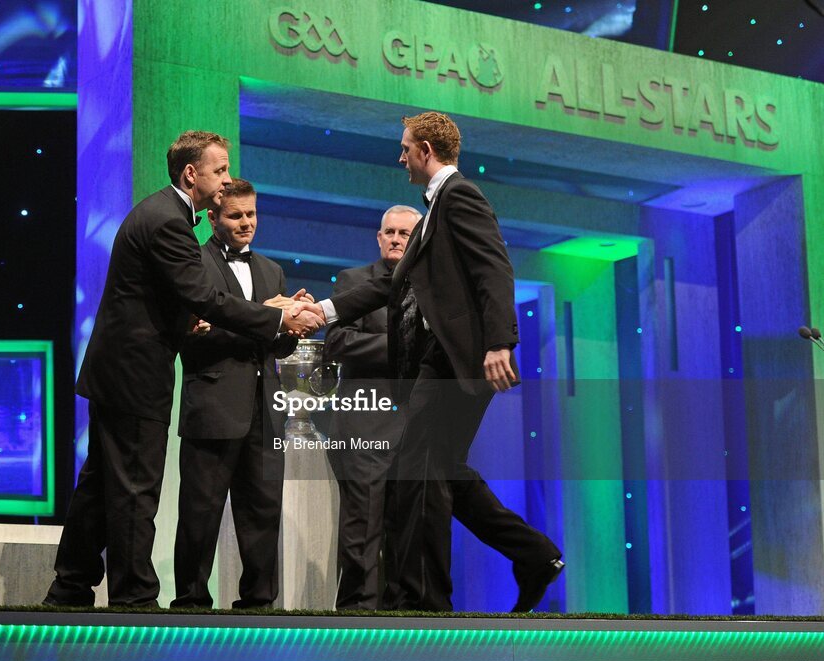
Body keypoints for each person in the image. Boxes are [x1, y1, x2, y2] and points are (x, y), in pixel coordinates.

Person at [44, 132, 322, 608]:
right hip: (134, 375)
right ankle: (134, 598)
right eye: (220, 170)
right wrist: (276, 315)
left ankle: (69, 586)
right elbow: (204, 298)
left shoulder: (166, 216)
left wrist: (242, 310)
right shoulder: (169, 222)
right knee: (135, 489)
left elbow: (179, 302)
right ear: (191, 174)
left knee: (100, 486)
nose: (227, 179)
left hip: (120, 372)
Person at [301, 112, 563, 612]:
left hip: (453, 364)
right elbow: (390, 285)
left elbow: (494, 268)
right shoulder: (436, 209)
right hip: (438, 365)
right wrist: (325, 311)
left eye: (404, 149)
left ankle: (424, 603)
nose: (400, 158)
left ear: (424, 150)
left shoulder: (459, 196)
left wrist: (498, 343)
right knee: (435, 471)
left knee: (417, 472)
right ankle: (533, 554)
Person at [171, 178, 300, 609]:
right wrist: (267, 316)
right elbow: (188, 338)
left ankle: (260, 603)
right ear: (213, 217)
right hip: (213, 403)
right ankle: (190, 602)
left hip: (266, 409)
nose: (247, 223)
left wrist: (293, 322)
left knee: (263, 511)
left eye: (252, 214)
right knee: (199, 513)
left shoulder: (271, 270)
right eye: (236, 215)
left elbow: (279, 345)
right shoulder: (194, 265)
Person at [323, 205, 418, 610]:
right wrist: (407, 348)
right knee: (362, 531)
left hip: (418, 429)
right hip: (364, 425)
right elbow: (337, 343)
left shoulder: (434, 287)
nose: (396, 239)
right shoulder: (354, 281)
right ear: (379, 238)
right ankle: (354, 620)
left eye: (404, 234)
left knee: (408, 532)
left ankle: (403, 625)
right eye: (389, 232)